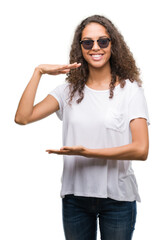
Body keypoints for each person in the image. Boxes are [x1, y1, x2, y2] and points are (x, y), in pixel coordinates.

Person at [15, 15, 150, 240]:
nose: (95, 47)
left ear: (112, 45)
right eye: (88, 42)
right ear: (80, 48)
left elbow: (141, 149)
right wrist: (38, 72)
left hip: (118, 199)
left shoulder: (131, 90)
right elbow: (23, 117)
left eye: (102, 41)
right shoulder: (67, 91)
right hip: (75, 199)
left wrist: (87, 153)